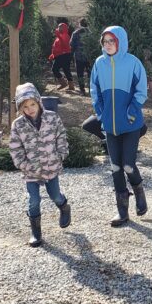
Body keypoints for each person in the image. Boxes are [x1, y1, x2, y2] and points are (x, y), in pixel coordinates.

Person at [90, 26, 148, 226]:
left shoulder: (133, 63)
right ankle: (122, 211)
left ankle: (139, 191)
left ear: (120, 42)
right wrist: (100, 112)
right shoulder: (99, 64)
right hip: (110, 126)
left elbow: (142, 90)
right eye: (105, 41)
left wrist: (132, 112)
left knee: (128, 165)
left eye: (111, 41)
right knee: (115, 167)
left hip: (130, 125)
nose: (108, 45)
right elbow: (94, 90)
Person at [8, 83, 72, 247]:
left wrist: (61, 154)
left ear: (38, 102)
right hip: (31, 172)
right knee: (33, 201)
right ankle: (36, 233)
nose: (29, 109)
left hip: (51, 167)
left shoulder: (52, 118)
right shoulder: (18, 125)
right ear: (20, 108)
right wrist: (23, 165)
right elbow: (15, 148)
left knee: (55, 195)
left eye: (32, 104)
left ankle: (64, 207)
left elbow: (61, 136)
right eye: (25, 106)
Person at [49, 21, 74, 91]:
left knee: (54, 69)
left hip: (64, 55)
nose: (59, 28)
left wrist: (59, 36)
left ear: (65, 28)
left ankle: (63, 83)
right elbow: (56, 46)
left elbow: (65, 45)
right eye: (59, 27)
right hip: (61, 55)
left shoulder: (66, 36)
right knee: (66, 70)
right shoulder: (59, 36)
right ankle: (71, 86)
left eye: (61, 27)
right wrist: (52, 54)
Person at [69, 18, 90, 95]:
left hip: (79, 57)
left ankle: (82, 91)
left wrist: (71, 56)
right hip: (89, 57)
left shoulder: (75, 33)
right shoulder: (91, 33)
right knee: (90, 74)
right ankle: (91, 90)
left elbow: (71, 45)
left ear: (79, 24)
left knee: (80, 74)